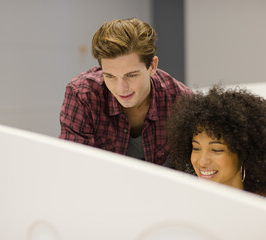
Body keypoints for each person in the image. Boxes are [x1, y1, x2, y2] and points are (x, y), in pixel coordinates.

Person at [59, 18, 192, 165]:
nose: (121, 88)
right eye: (110, 76)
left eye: (131, 75)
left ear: (153, 66)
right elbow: (73, 165)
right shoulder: (83, 95)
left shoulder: (180, 100)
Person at [165, 85, 266, 206]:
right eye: (196, 148)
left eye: (216, 150)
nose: (202, 161)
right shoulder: (184, 207)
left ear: (245, 154)